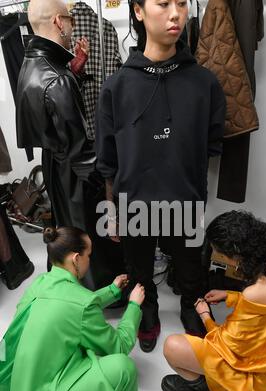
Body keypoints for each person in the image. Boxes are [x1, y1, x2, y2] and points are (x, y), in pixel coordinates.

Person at [96, 0, 226, 352]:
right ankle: (147, 312)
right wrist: (112, 212)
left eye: (182, 4)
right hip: (134, 201)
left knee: (190, 267)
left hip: (184, 197)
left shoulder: (204, 82)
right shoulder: (116, 87)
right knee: (139, 268)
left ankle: (190, 308)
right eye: (163, 3)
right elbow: (108, 159)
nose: (175, 14)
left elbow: (213, 142)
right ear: (138, 11)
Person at [0, 226, 145, 391]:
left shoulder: (40, 283)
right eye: (89, 255)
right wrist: (134, 306)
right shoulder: (81, 303)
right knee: (124, 367)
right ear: (76, 259)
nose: (90, 260)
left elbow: (72, 304)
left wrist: (112, 291)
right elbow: (119, 345)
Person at [16, 0, 124, 290]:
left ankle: (67, 281)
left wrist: (75, 69)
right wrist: (111, 180)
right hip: (73, 174)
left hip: (55, 164)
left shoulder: (32, 63)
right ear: (58, 22)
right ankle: (96, 290)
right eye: (70, 20)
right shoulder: (58, 78)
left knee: (67, 227)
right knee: (86, 234)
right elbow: (81, 153)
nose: (73, 27)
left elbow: (48, 120)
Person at [162, 211, 266, 391]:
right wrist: (231, 296)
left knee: (172, 346)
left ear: (235, 256)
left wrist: (205, 315)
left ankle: (202, 387)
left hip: (264, 378)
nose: (216, 256)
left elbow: (226, 346)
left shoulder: (254, 293)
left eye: (217, 252)